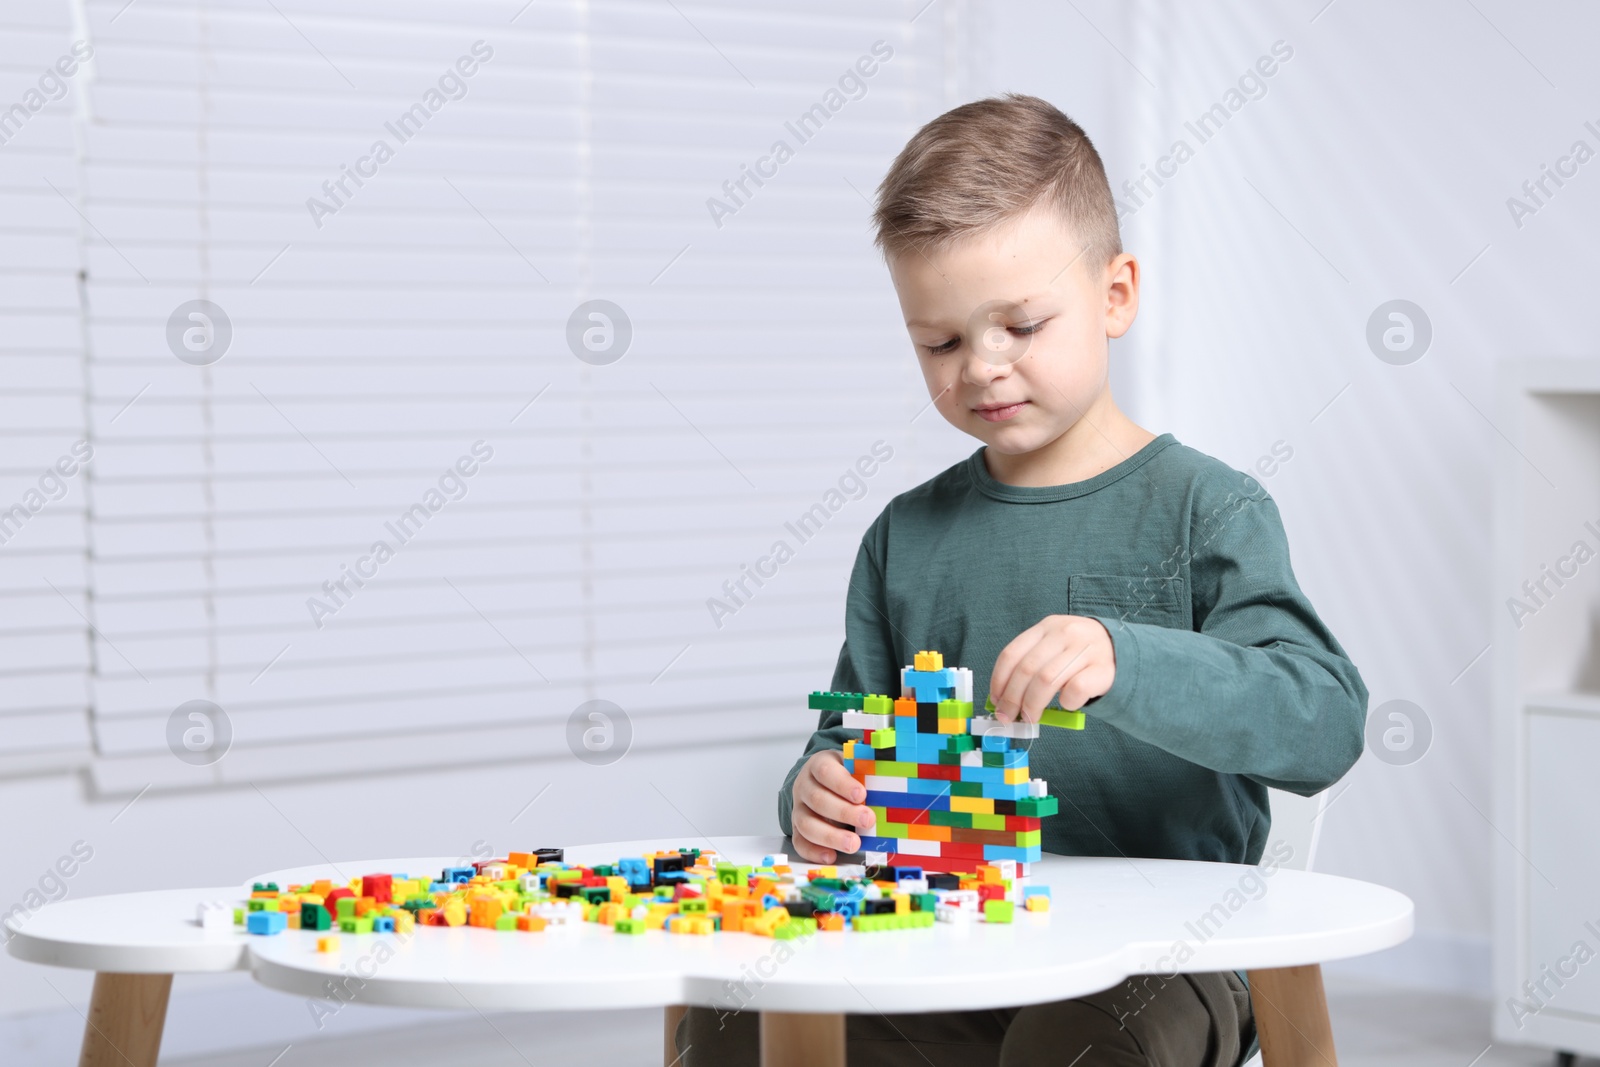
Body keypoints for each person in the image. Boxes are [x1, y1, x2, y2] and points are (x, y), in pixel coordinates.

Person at [678, 92, 1367, 1067]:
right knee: (726, 1018)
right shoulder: (905, 537)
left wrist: (1124, 659)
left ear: (1116, 295)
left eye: (1022, 324)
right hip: (947, 931)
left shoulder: (1208, 509)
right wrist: (815, 793)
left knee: (1073, 1046)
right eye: (942, 342)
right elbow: (850, 737)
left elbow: (1324, 724)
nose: (983, 367)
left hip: (1169, 954)